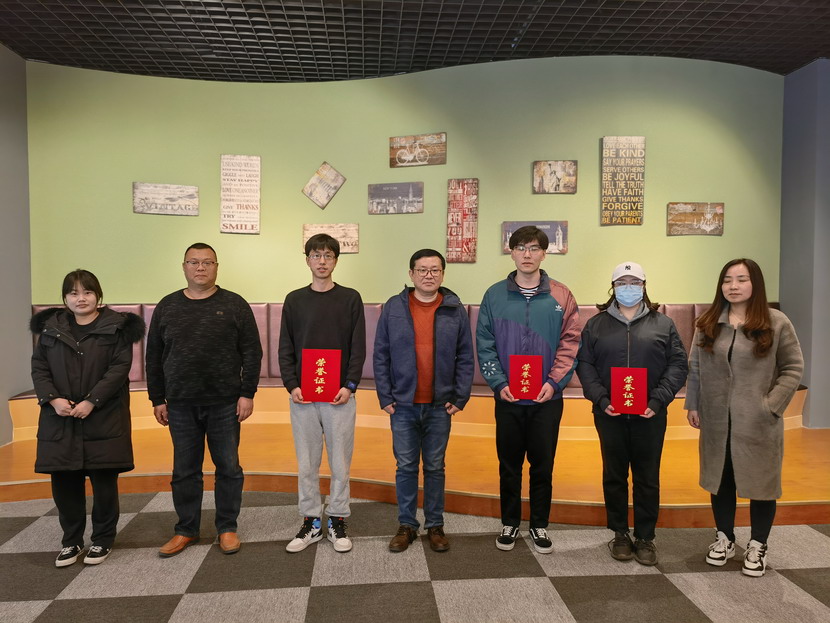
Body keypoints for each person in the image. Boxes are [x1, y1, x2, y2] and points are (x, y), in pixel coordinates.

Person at [685, 258, 803, 577]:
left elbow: (793, 368)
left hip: (758, 422)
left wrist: (771, 406)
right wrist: (693, 405)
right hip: (716, 420)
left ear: (755, 284)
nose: (733, 286)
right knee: (720, 480)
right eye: (727, 280)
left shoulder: (776, 322)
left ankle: (758, 544)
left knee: (762, 483)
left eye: (741, 279)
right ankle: (724, 538)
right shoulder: (707, 322)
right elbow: (695, 367)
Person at [146, 243, 262, 557]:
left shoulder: (234, 304)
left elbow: (252, 352)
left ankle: (227, 527)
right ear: (184, 266)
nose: (200, 268)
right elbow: (153, 356)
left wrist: (247, 393)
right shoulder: (167, 305)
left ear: (216, 267)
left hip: (225, 402)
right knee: (184, 470)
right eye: (194, 262)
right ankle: (186, 529)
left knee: (228, 467)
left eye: (207, 262)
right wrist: (157, 398)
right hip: (180, 403)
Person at [476, 225, 580, 553]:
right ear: (511, 252)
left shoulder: (562, 295)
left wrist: (554, 383)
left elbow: (571, 343)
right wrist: (498, 383)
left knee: (542, 465)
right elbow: (485, 344)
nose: (527, 254)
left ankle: (539, 524)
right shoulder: (494, 295)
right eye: (520, 248)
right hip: (508, 397)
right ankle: (509, 522)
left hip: (547, 398)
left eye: (534, 248)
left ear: (544, 254)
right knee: (508, 464)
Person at [30, 269, 144, 567]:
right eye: (73, 293)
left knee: (104, 483)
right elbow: (39, 368)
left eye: (87, 292)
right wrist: (52, 399)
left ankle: (103, 539)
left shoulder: (116, 328)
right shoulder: (50, 329)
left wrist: (92, 401)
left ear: (98, 296)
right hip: (60, 417)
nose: (80, 298)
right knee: (64, 482)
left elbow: (119, 369)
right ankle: (71, 541)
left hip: (103, 416)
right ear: (64, 298)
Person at [576, 262, 688, 565]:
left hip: (650, 414)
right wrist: (601, 398)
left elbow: (678, 364)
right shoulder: (596, 325)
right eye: (622, 282)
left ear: (644, 286)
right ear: (613, 288)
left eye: (634, 282)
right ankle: (620, 533)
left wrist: (659, 399)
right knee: (614, 475)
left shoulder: (663, 324)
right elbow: (584, 365)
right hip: (609, 414)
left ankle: (646, 537)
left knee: (647, 476)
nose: (628, 287)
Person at [373, 249, 474, 553]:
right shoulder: (394, 307)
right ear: (411, 274)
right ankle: (406, 525)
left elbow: (465, 356)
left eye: (435, 270)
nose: (429, 275)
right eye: (422, 270)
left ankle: (435, 525)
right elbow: (381, 354)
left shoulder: (454, 309)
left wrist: (460, 396)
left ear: (442, 274)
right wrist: (385, 396)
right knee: (405, 466)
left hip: (440, 405)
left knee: (435, 466)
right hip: (402, 404)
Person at [279, 234, 366, 554]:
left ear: (336, 261)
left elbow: (358, 346)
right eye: (316, 255)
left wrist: (350, 385)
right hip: (303, 396)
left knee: (340, 463)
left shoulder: (350, 298)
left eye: (328, 255)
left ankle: (338, 518)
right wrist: (292, 384)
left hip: (339, 396)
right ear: (307, 260)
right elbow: (285, 346)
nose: (322, 261)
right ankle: (311, 520)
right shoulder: (294, 300)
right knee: (307, 464)